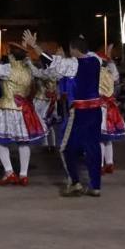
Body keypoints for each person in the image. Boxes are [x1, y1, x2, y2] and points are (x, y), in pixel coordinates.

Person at [25, 31, 103, 197]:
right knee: (93, 148)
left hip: (80, 112)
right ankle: (95, 185)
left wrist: (34, 46)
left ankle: (75, 182)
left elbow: (51, 61)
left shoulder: (74, 64)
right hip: (96, 110)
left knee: (65, 148)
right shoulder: (96, 60)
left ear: (74, 50)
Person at [0, 40, 46, 185]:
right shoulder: (29, 69)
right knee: (24, 142)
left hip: (7, 108)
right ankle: (23, 174)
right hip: (25, 109)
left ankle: (9, 171)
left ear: (10, 54)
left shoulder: (7, 69)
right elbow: (40, 73)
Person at [98, 48, 125, 173]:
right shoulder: (111, 73)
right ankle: (109, 163)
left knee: (99, 138)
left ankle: (99, 164)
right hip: (111, 107)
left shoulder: (96, 73)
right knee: (108, 138)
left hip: (100, 106)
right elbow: (116, 73)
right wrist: (110, 59)